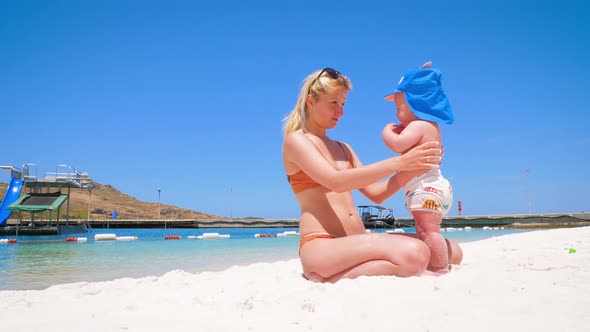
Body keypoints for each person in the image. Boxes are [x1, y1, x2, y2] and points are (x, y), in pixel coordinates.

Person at [282, 67, 463, 283]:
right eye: (333, 103)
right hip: (322, 244)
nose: (341, 112)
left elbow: (377, 194)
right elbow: (335, 182)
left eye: (343, 104)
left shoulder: (343, 148)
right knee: (417, 254)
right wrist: (399, 162)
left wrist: (417, 166)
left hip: (356, 240)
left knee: (452, 251)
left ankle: (335, 272)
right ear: (311, 101)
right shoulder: (296, 141)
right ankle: (323, 273)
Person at [381, 62, 454, 274]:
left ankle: (440, 268)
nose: (396, 114)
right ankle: (436, 262)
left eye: (398, 108)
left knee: (428, 231)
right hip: (434, 187)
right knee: (426, 231)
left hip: (426, 189)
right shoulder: (432, 127)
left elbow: (397, 144)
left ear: (416, 104)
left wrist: (387, 132)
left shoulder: (418, 126)